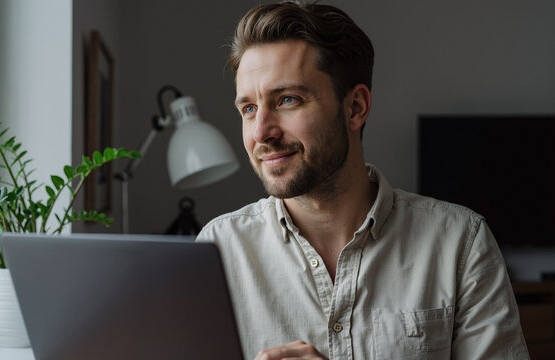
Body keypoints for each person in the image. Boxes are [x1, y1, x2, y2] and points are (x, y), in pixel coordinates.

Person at [196, 2, 529, 359]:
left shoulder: (461, 244)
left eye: (288, 100)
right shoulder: (216, 251)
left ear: (355, 107)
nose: (261, 131)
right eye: (248, 109)